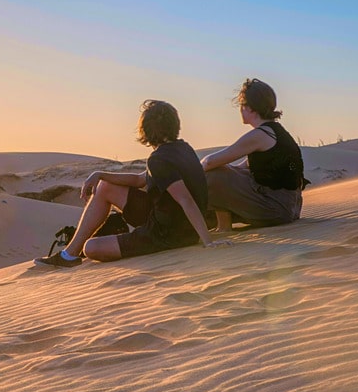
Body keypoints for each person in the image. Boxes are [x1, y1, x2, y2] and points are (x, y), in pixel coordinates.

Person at [34, 99, 227, 268]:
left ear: (147, 130)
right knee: (105, 187)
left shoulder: (159, 159)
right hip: (169, 222)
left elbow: (186, 199)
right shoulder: (183, 148)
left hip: (166, 235)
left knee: (91, 248)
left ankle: (74, 253)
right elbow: (139, 179)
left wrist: (207, 242)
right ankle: (69, 255)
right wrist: (100, 174)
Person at [200, 78, 306, 231]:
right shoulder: (275, 131)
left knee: (212, 175)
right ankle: (218, 223)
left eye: (242, 105)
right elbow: (239, 169)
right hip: (289, 207)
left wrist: (194, 175)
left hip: (277, 209)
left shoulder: (260, 135)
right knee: (222, 171)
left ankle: (224, 228)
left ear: (250, 108)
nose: (240, 109)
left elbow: (210, 162)